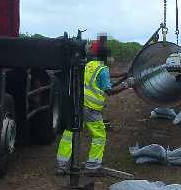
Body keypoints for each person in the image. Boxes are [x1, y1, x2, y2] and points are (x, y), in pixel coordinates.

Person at [56, 36, 130, 176]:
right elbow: (109, 90)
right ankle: (93, 166)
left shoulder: (89, 65)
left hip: (77, 106)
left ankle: (61, 165)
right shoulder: (103, 69)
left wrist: (123, 74)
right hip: (91, 109)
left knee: (69, 133)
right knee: (99, 136)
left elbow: (106, 77)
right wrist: (126, 85)